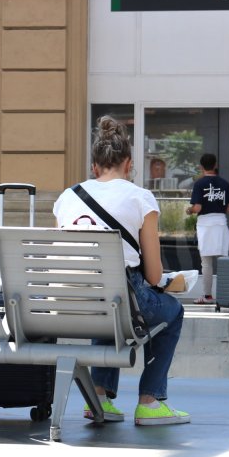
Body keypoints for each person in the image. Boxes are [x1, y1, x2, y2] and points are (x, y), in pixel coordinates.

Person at [52, 115, 189, 427]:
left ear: (94, 166)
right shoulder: (140, 198)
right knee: (171, 311)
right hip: (118, 303)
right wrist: (167, 283)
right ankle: (150, 402)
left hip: (69, 305)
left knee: (104, 297)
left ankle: (99, 397)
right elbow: (153, 276)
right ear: (128, 164)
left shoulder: (66, 198)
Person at [187, 153, 229, 305]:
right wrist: (218, 209)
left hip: (205, 225)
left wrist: (189, 210)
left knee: (206, 263)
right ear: (215, 165)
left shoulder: (199, 184)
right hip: (220, 223)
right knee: (223, 261)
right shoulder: (224, 183)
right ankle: (226, 295)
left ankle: (207, 296)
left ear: (201, 167)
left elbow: (197, 207)